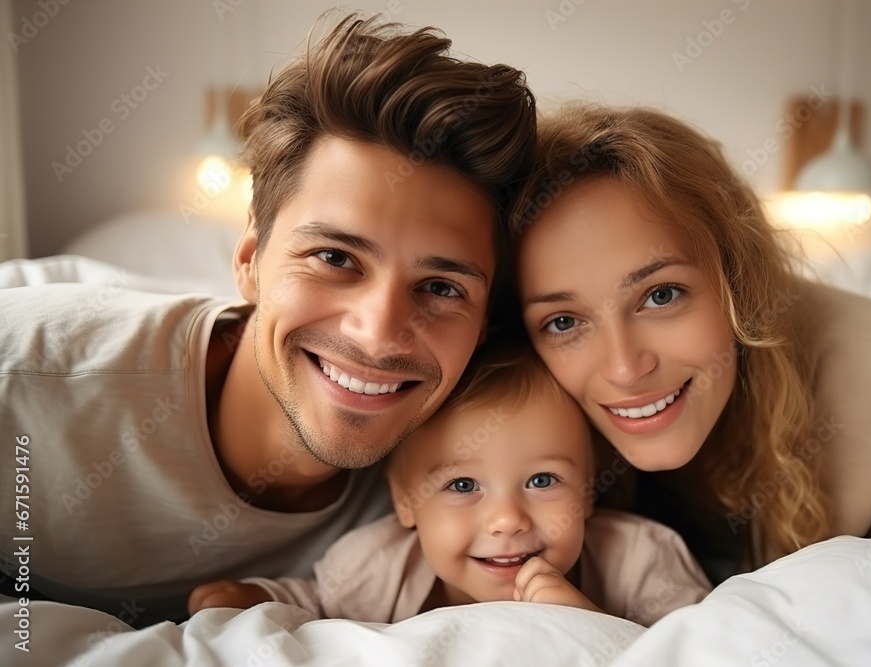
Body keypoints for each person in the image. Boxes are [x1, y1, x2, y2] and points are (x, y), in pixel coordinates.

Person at [0, 13, 535, 627]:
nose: (379, 334)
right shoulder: (24, 381)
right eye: (335, 258)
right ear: (250, 258)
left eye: (440, 287)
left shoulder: (476, 465)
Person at [511, 103, 871, 582]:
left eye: (661, 295)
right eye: (563, 322)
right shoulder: (516, 408)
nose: (624, 368)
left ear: (738, 281)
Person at [187, 342, 711, 626]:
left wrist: (588, 627)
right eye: (462, 486)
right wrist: (257, 596)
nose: (507, 520)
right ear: (404, 501)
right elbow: (320, 602)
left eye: (543, 480)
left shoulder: (641, 559)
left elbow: (699, 649)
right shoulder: (376, 566)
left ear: (588, 492)